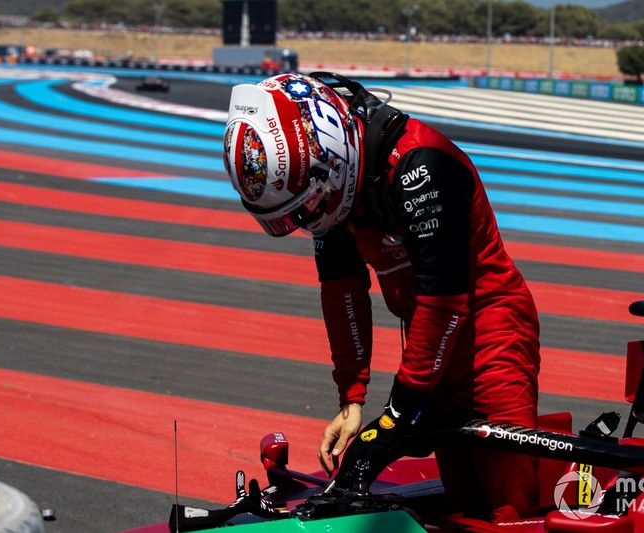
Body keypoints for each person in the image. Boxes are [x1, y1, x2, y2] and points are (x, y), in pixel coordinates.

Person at [222, 72, 541, 523]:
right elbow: (341, 290)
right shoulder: (332, 185)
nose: (312, 221)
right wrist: (352, 398)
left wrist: (398, 412)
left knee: (506, 511)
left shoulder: (421, 166)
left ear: (331, 154)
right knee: (461, 505)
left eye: (309, 208)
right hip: (432, 343)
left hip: (490, 334)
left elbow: (444, 298)